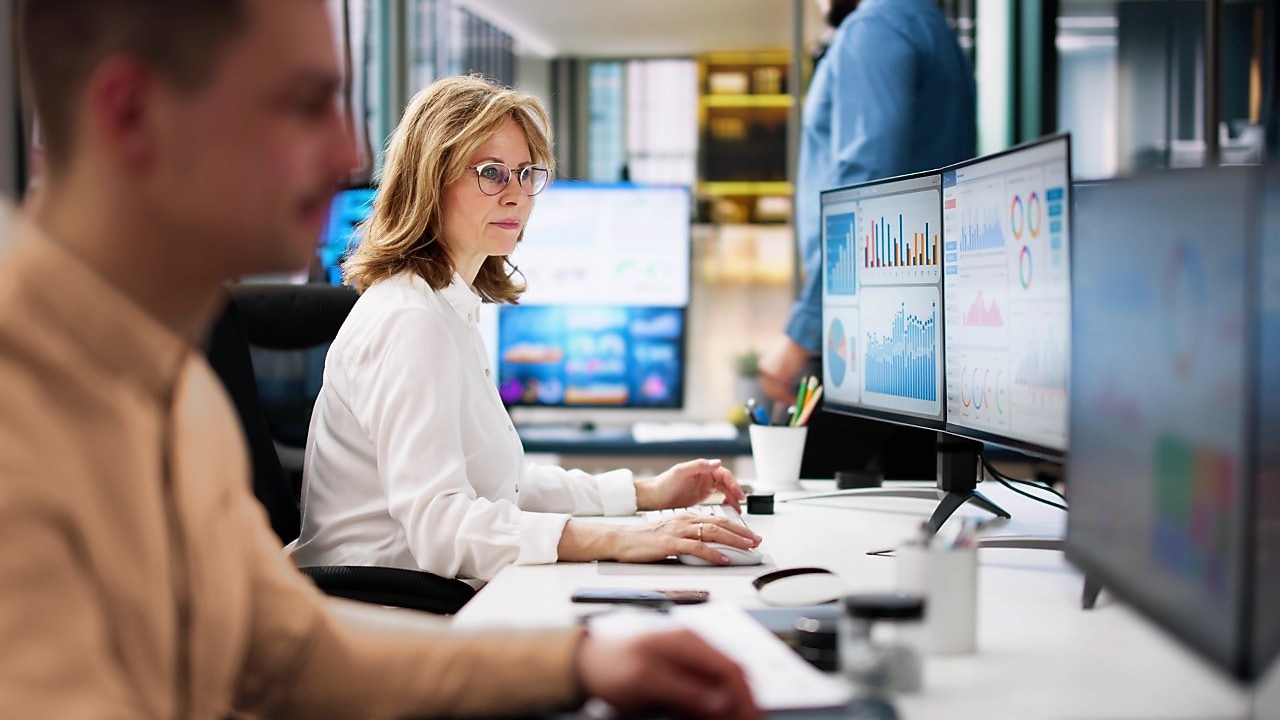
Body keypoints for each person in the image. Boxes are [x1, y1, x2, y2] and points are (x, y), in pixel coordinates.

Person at [0, 1, 759, 718]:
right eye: (303, 101)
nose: (351, 153)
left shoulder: (174, 387)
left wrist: (579, 664)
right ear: (132, 114)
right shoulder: (27, 406)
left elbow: (291, 649)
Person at [292, 74, 762, 583]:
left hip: (426, 596)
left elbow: (502, 488)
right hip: (388, 612)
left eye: (525, 174)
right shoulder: (409, 320)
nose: (517, 196)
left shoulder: (448, 308)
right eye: (492, 173)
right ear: (431, 177)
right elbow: (442, 526)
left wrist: (647, 494)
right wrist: (628, 539)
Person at [757, 0, 977, 480]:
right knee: (914, 508)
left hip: (870, 332)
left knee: (803, 507)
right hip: (922, 333)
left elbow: (865, 191)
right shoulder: (930, 27)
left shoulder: (874, 28)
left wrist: (804, 331)